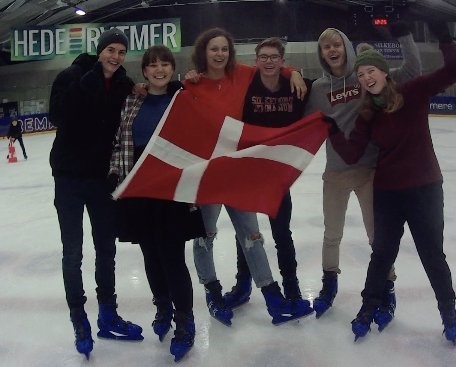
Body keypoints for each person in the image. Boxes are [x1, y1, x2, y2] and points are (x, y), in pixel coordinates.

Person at [328, 22, 456, 343]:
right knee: (382, 254)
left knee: (432, 254)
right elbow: (351, 153)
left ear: (385, 72)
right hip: (387, 193)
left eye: (370, 71)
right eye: (360, 75)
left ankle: (449, 311)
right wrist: (331, 129)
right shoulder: (366, 114)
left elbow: (454, 71)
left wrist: (444, 37)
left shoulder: (412, 91)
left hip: (425, 188)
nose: (365, 78)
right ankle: (367, 308)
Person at [185, 27, 311, 326]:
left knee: (252, 236)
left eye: (224, 49)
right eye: (214, 49)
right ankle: (213, 294)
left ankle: (273, 297)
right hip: (206, 175)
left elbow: (273, 64)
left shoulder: (241, 75)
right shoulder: (191, 84)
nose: (219, 54)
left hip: (238, 173)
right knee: (205, 238)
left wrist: (293, 71)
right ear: (204, 52)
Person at [304, 23, 422, 318]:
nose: (332, 50)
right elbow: (300, 123)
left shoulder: (365, 76)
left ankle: (387, 288)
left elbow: (411, 70)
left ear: (346, 46)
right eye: (325, 47)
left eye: (336, 44)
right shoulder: (319, 89)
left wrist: (403, 31)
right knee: (332, 234)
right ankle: (329, 284)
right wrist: (291, 74)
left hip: (370, 171)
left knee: (377, 237)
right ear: (321, 53)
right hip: (336, 172)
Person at [49, 28, 143, 359]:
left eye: (121, 51)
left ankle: (107, 313)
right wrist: (87, 80)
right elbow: (56, 115)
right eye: (110, 50)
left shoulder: (123, 85)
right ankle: (79, 319)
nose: (115, 56)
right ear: (99, 50)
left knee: (106, 249)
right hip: (70, 179)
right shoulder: (71, 75)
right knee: (72, 253)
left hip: (102, 180)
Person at [108, 45, 205, 362]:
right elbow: (120, 140)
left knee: (172, 256)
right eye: (152, 65)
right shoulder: (132, 99)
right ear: (144, 71)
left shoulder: (183, 97)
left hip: (172, 185)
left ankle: (185, 320)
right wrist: (116, 177)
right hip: (138, 182)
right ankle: (162, 306)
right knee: (150, 252)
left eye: (165, 64)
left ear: (172, 68)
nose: (159, 70)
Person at [222, 37, 313, 314]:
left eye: (274, 57)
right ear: (256, 59)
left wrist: (294, 72)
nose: (269, 61)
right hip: (248, 170)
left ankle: (292, 287)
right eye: (264, 57)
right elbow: (217, 72)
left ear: (282, 61)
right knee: (246, 233)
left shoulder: (296, 85)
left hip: (277, 175)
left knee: (281, 233)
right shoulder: (247, 83)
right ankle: (243, 285)